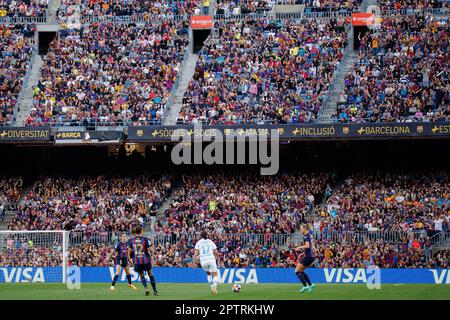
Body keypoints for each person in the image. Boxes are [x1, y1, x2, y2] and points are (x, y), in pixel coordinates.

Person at [128, 225, 159, 296]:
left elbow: (129, 251)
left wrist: (130, 260)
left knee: (141, 274)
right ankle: (155, 290)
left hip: (137, 261)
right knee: (150, 273)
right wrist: (152, 246)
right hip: (146, 260)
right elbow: (150, 249)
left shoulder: (131, 240)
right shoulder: (145, 239)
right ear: (141, 231)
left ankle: (146, 288)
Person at [295, 224, 316, 293]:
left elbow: (307, 246)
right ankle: (310, 284)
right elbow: (310, 246)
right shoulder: (309, 234)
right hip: (310, 257)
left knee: (297, 271)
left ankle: (305, 286)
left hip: (308, 257)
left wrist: (299, 247)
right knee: (301, 271)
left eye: (301, 228)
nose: (300, 230)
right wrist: (303, 253)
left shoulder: (306, 236)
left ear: (304, 228)